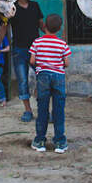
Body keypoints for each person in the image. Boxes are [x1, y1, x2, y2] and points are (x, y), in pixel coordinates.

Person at [0, 0, 45, 122]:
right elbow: (3, 29)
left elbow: (42, 25)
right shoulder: (11, 8)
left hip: (36, 50)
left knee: (43, 78)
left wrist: (50, 39)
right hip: (19, 50)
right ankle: (28, 111)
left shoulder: (35, 6)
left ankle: (43, 110)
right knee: (22, 81)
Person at [29, 14, 71, 154]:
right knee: (59, 109)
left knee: (42, 108)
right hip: (59, 76)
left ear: (44, 27)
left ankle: (40, 141)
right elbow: (66, 63)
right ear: (59, 28)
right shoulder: (62, 44)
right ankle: (60, 142)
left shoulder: (37, 42)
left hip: (43, 77)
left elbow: (32, 61)